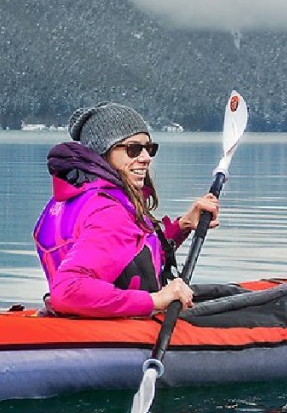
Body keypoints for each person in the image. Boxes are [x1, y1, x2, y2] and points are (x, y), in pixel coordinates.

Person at [34, 101, 220, 318]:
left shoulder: (69, 199)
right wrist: (156, 300)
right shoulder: (109, 211)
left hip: (79, 321)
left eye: (149, 148)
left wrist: (183, 226)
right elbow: (68, 291)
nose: (146, 157)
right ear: (103, 153)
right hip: (117, 330)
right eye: (133, 149)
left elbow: (123, 259)